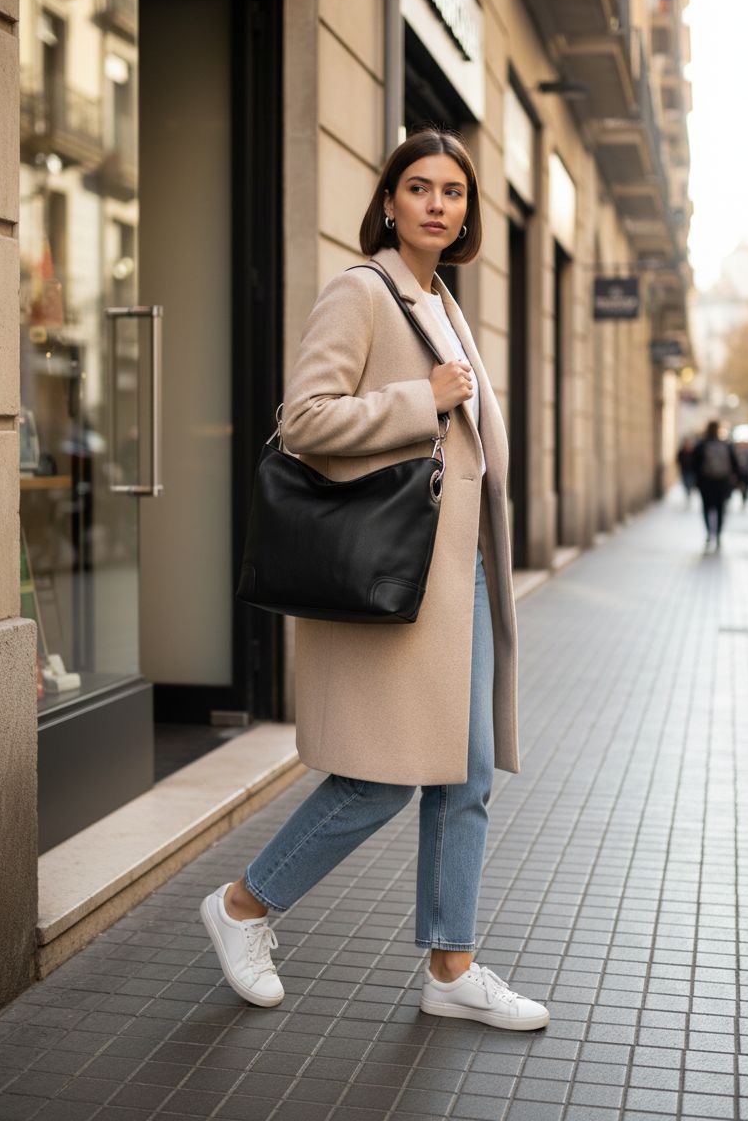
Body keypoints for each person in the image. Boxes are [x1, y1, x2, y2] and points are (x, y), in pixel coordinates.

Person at [199, 127, 549, 1032]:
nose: (439, 203)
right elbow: (304, 420)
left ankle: (451, 964)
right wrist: (417, 401)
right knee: (382, 780)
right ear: (388, 201)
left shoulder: (443, 300)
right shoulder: (363, 293)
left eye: (455, 192)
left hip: (458, 577)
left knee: (466, 776)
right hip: (397, 578)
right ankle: (243, 906)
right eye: (420, 187)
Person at [693, 420, 740, 549]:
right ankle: (718, 534)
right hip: (722, 482)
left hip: (706, 482)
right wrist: (735, 480)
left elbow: (695, 465)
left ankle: (709, 533)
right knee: (720, 508)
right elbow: (735, 465)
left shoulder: (702, 445)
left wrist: (696, 481)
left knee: (706, 508)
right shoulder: (726, 445)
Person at [676, 435, 698, 503]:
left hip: (691, 471)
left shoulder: (693, 451)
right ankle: (688, 494)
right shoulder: (682, 451)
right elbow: (678, 459)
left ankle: (689, 492)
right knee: (686, 483)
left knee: (690, 483)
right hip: (684, 470)